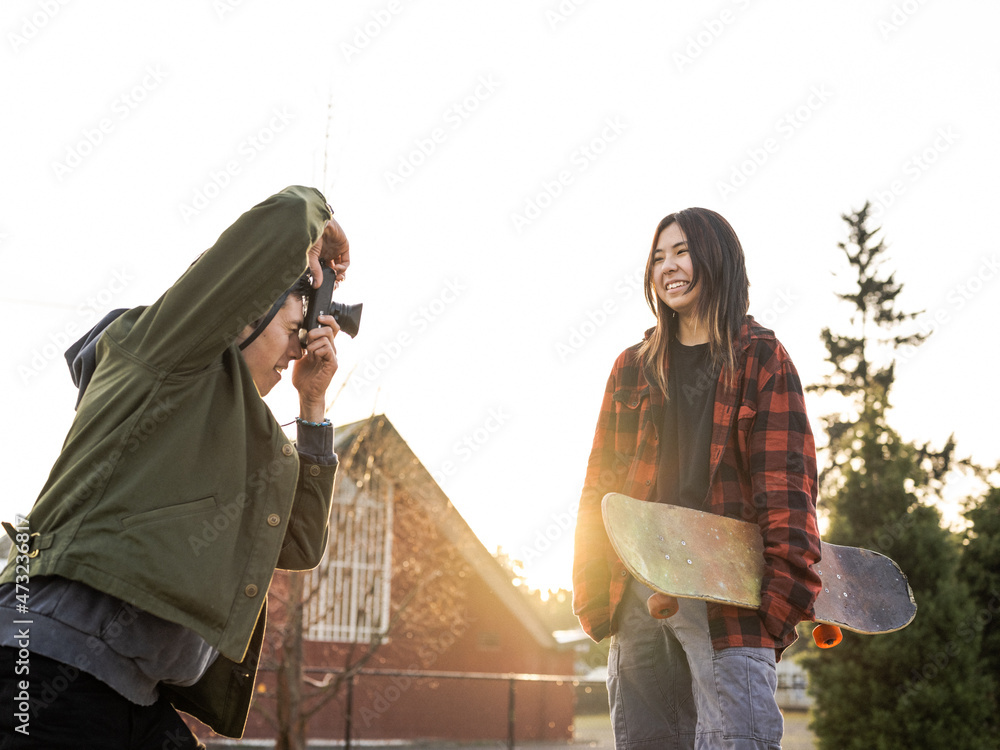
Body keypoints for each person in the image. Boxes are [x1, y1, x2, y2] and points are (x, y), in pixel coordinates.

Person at [0, 186, 350, 749]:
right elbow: (285, 220)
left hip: (137, 693)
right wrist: (321, 226)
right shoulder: (167, 355)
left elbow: (300, 543)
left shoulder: (247, 437)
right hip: (49, 666)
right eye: (295, 326)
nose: (300, 348)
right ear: (247, 311)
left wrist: (312, 406)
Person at [572, 208, 821, 749]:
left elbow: (788, 490)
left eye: (681, 251)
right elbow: (600, 487)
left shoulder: (762, 360)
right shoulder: (632, 367)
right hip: (638, 591)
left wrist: (775, 609)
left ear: (717, 258)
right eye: (658, 257)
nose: (668, 267)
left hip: (730, 595)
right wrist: (597, 594)